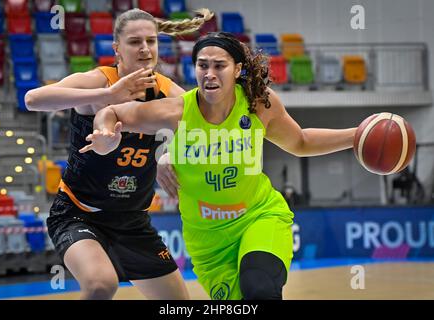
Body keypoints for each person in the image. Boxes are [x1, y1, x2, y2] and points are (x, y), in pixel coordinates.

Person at [80, 32, 357, 300]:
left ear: (237, 70)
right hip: (209, 243)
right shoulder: (176, 112)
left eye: (219, 65)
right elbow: (111, 111)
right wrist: (106, 134)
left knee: (259, 288)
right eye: (202, 65)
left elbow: (301, 142)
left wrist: (357, 136)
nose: (209, 73)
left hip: (258, 217)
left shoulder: (258, 105)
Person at [24, 8, 213, 300]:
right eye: (135, 42)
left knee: (179, 302)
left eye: (151, 41)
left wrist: (170, 155)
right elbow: (33, 99)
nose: (145, 49)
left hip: (132, 220)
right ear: (117, 49)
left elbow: (203, 131)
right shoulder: (99, 80)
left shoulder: (168, 92)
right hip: (78, 213)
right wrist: (106, 96)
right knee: (101, 285)